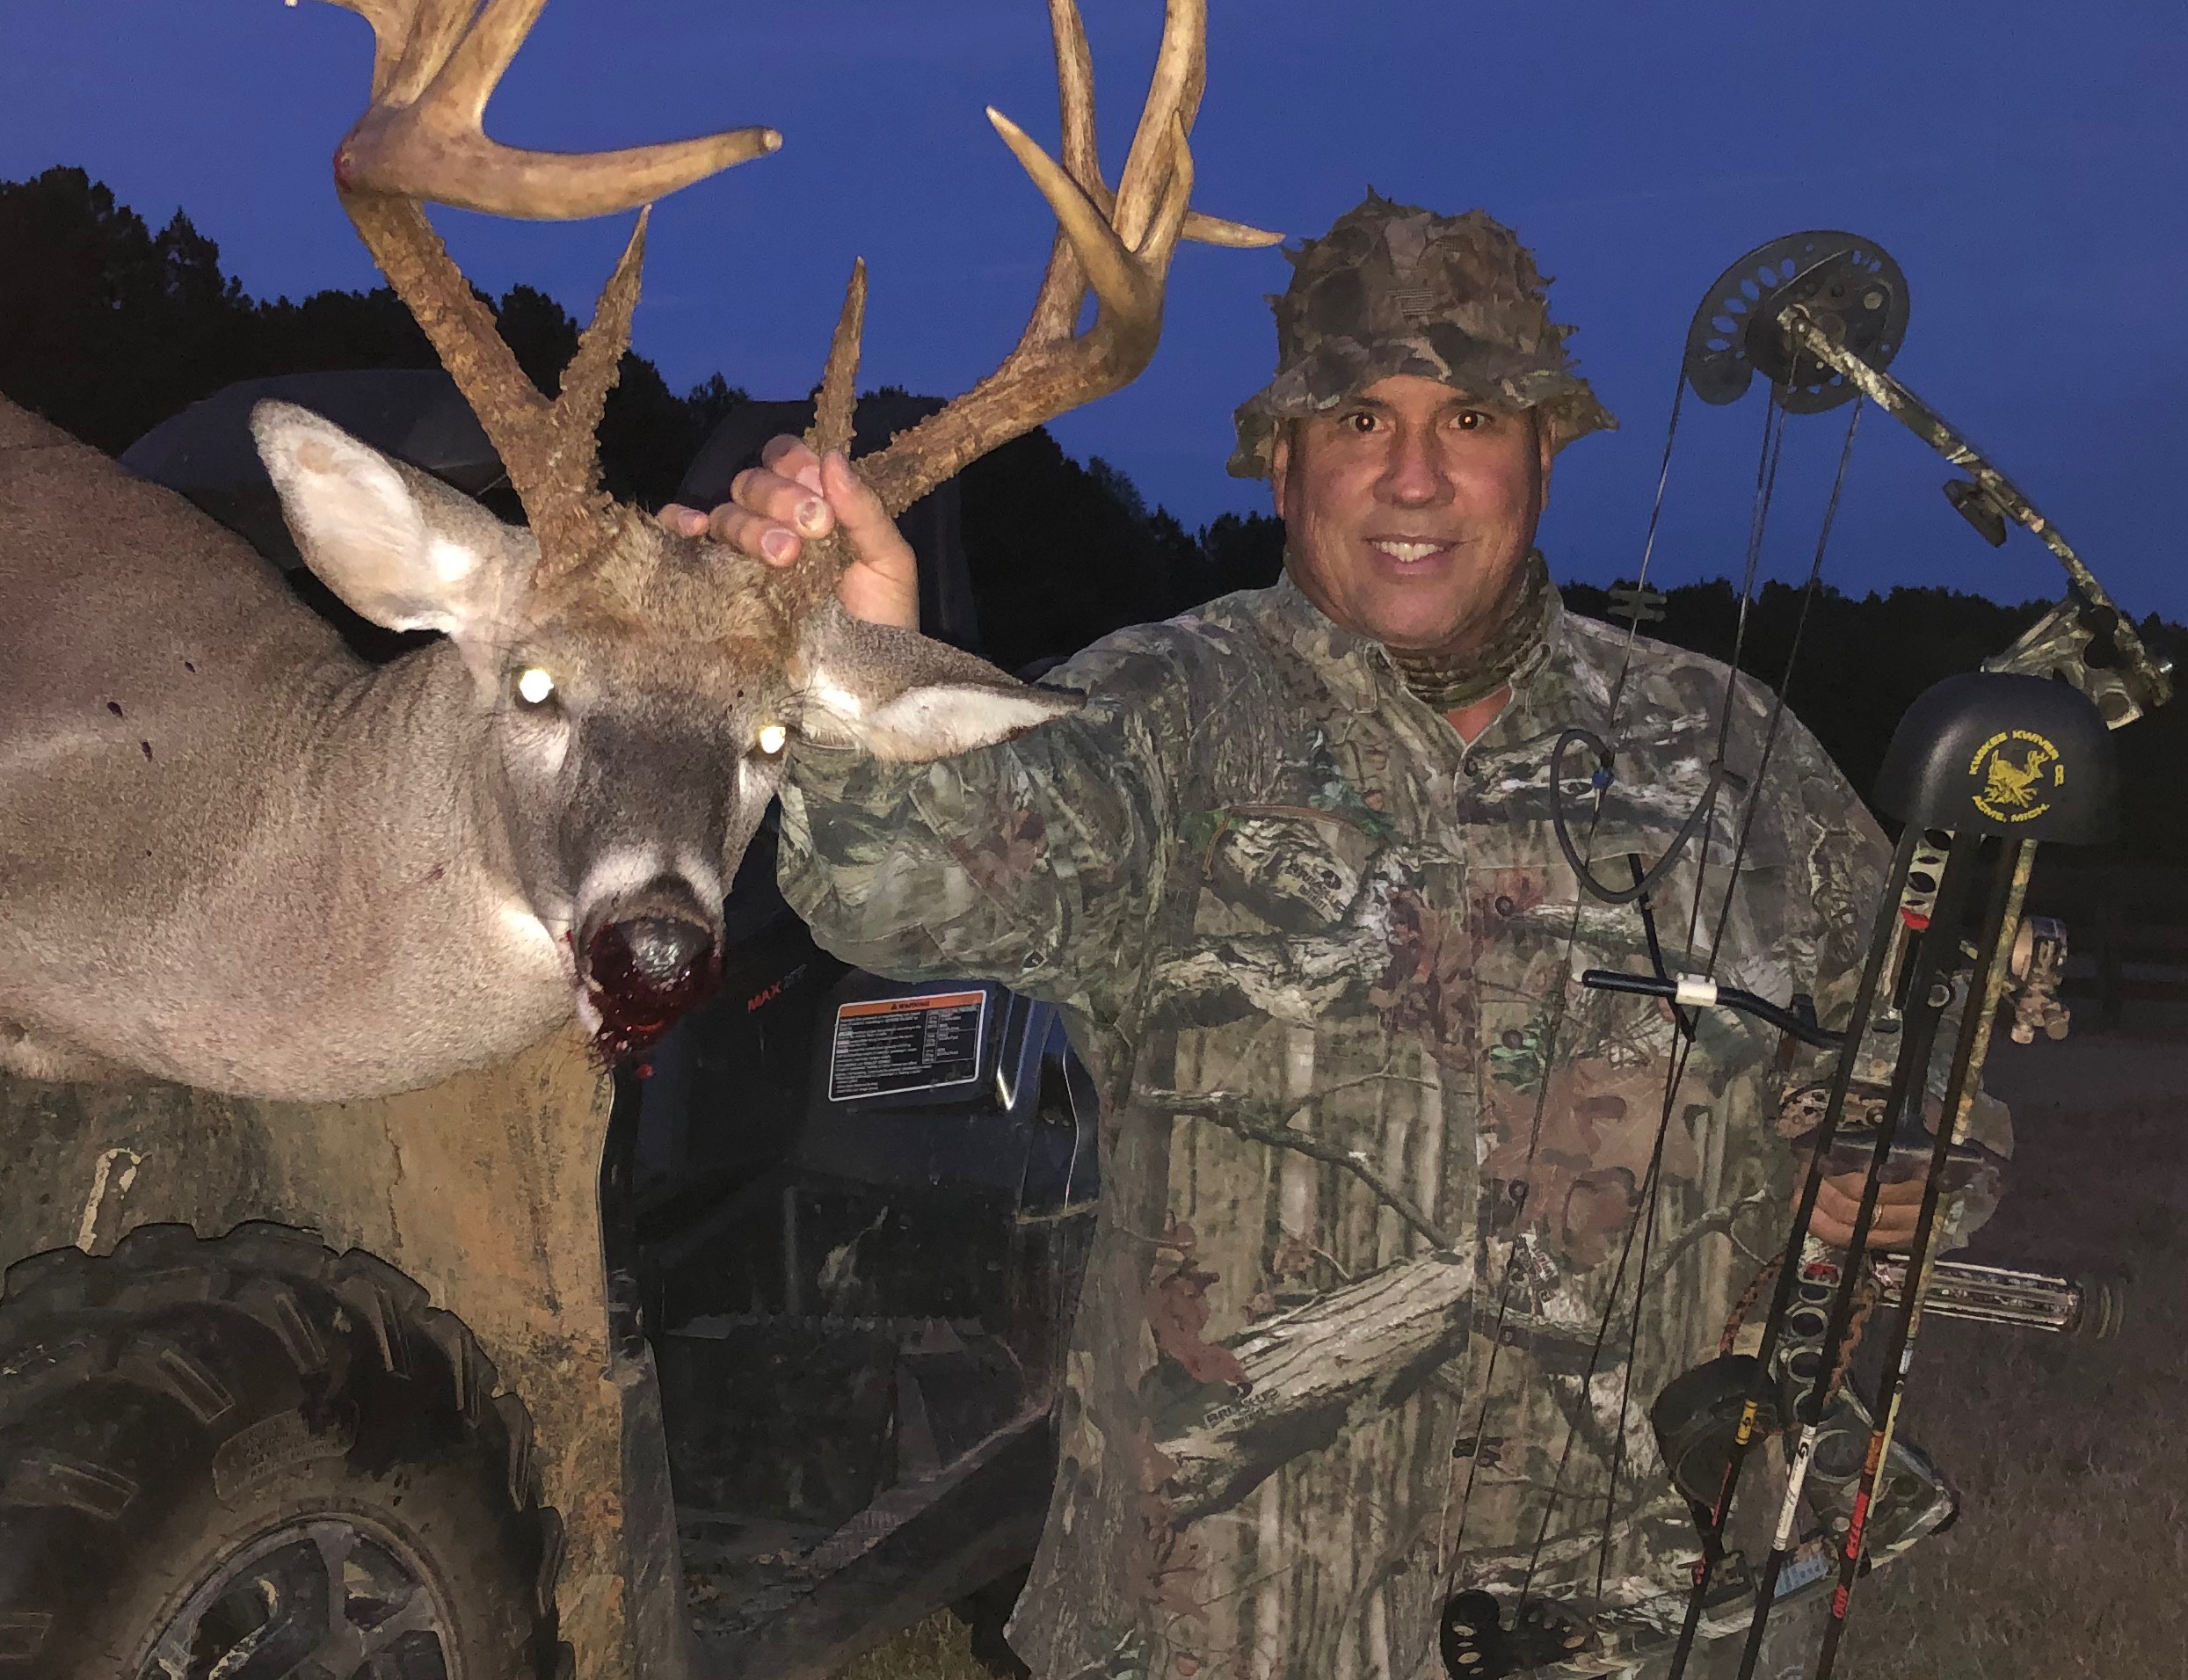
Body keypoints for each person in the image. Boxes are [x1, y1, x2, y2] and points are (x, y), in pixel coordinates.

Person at [666, 193, 1974, 1680]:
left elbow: (1906, 1068)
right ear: (1284, 462)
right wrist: (861, 669)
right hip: (1232, 1620)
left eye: (1470, 416)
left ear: (1543, 453)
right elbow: (913, 883)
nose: (1414, 475)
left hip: (1650, 1614)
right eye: (1359, 418)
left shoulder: (1732, 751)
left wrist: (1889, 1172)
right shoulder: (1157, 719)